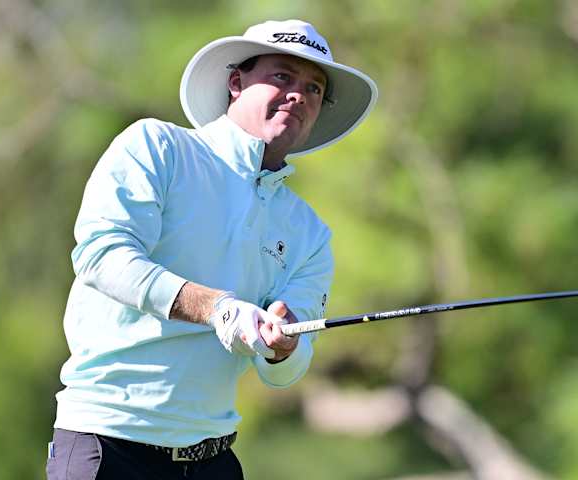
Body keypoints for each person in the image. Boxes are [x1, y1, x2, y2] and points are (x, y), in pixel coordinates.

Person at [46, 19, 377, 479]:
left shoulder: (309, 232)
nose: (299, 94)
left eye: (315, 88)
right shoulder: (157, 147)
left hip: (212, 460)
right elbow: (101, 255)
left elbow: (285, 371)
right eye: (282, 76)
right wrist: (218, 308)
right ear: (235, 83)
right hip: (108, 443)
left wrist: (282, 346)